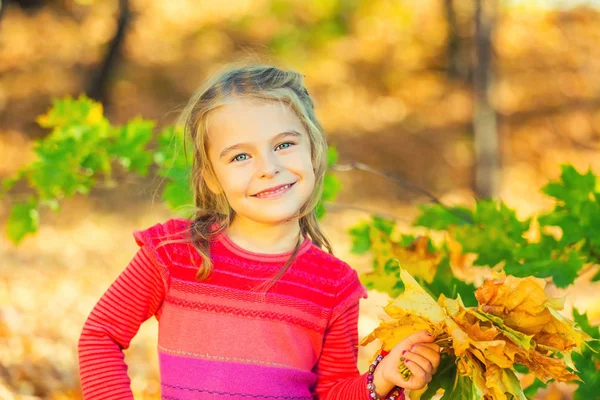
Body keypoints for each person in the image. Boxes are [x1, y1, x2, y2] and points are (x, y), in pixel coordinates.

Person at [78, 63, 441, 400]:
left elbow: (331, 392)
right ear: (211, 178)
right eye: (240, 156)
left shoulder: (333, 285)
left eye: (283, 145)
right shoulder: (175, 252)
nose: (268, 168)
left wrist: (382, 378)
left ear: (314, 152)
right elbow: (100, 335)